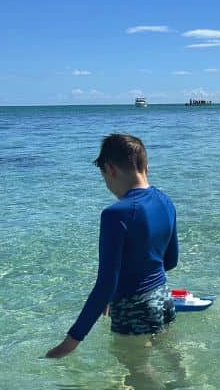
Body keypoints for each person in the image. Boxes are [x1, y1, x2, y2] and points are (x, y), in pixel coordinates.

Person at [46, 133, 179, 359]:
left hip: (132, 307)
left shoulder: (115, 214)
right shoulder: (165, 200)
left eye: (104, 177)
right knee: (170, 356)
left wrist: (70, 342)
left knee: (136, 368)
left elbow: (105, 285)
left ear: (110, 169)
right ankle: (182, 388)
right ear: (145, 166)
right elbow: (171, 260)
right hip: (164, 298)